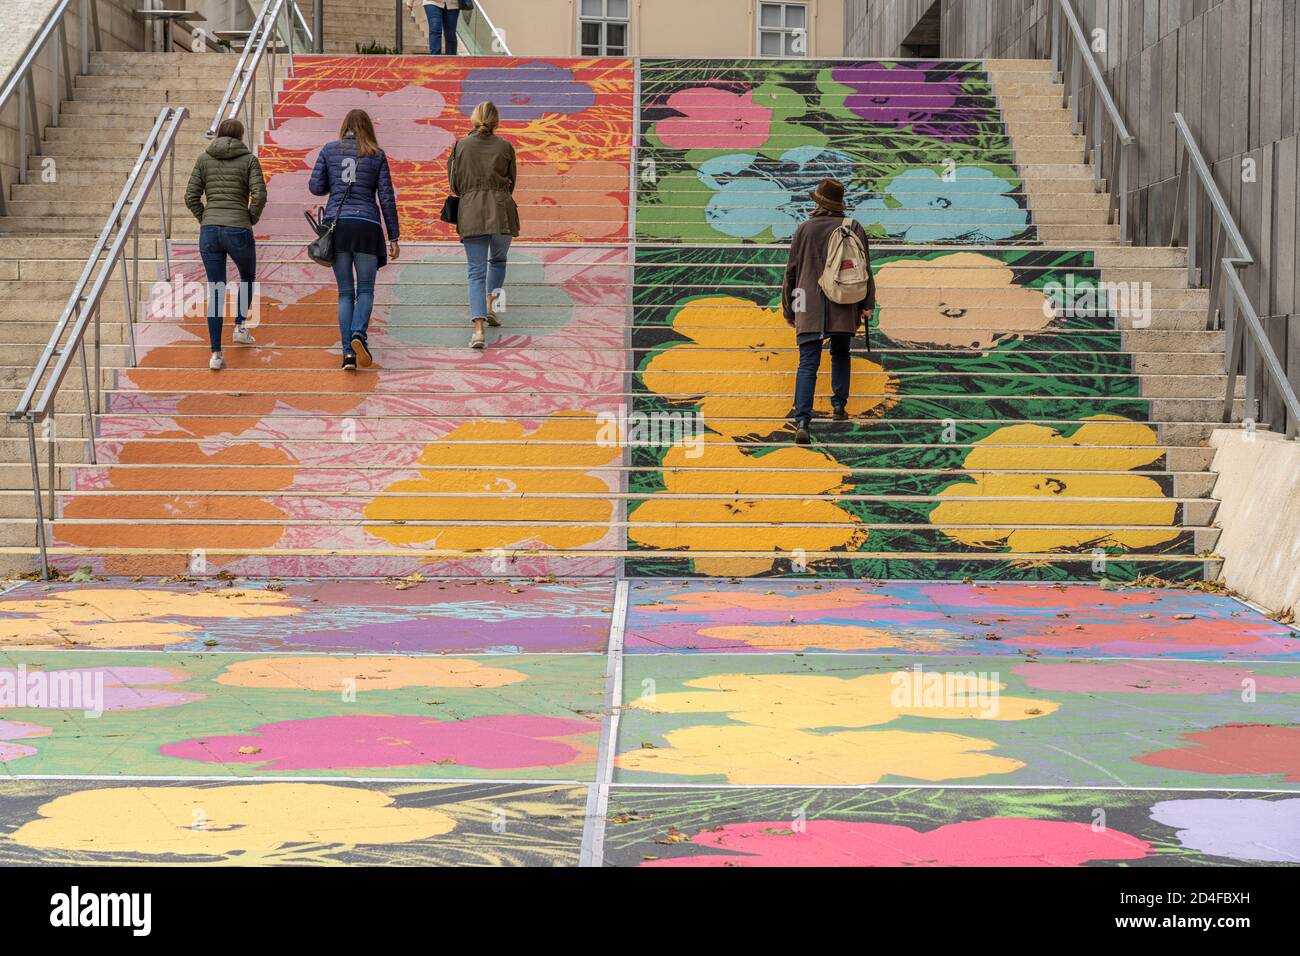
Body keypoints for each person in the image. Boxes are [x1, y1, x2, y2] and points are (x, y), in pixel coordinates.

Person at [780, 178, 876, 445]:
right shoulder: (853, 227)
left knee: (808, 362)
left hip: (808, 304)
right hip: (844, 302)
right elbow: (865, 269)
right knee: (841, 353)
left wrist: (789, 308)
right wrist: (868, 304)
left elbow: (791, 272)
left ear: (818, 202)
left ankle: (802, 421)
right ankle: (839, 407)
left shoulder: (804, 229)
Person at [308, 109, 401, 370]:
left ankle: (348, 353)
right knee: (366, 290)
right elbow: (386, 197)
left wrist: (334, 182)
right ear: (368, 128)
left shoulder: (329, 150)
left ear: (344, 125)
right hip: (368, 227)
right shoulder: (377, 155)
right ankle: (359, 333)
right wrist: (394, 235)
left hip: (338, 227)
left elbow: (315, 187)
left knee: (345, 293)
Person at [185, 117, 266, 371]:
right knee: (247, 277)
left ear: (219, 135)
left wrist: (205, 217)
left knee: (216, 291)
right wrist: (249, 217)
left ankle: (216, 355)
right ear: (240, 136)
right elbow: (260, 194)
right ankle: (240, 326)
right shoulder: (249, 160)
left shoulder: (203, 159)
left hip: (210, 232)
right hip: (238, 228)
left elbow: (190, 196)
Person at [448, 100, 520, 349]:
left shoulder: (460, 146)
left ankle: (478, 331)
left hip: (471, 212)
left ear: (474, 118)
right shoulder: (506, 147)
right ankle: (492, 306)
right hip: (501, 211)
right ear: (496, 121)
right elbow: (512, 182)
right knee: (498, 261)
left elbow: (454, 185)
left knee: (475, 272)